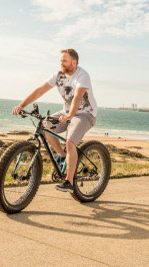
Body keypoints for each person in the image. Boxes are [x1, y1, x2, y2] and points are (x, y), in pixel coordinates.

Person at [12, 49, 97, 193]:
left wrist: (70, 116)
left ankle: (69, 182)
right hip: (67, 112)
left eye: (64, 60)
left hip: (85, 114)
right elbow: (40, 90)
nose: (61, 63)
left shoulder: (83, 75)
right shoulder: (58, 76)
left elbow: (77, 97)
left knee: (70, 142)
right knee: (45, 126)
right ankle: (62, 155)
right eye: (61, 60)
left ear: (74, 62)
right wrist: (21, 105)